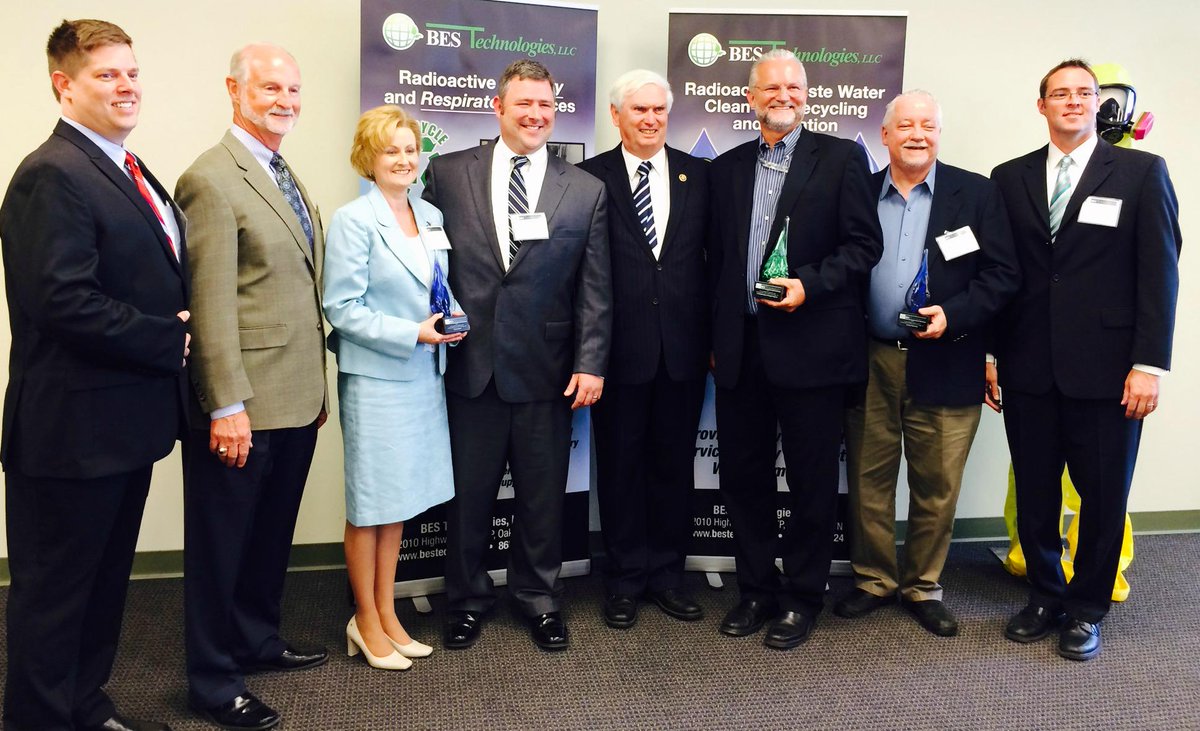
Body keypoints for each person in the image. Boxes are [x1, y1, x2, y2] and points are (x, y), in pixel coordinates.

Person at [0, 19, 188, 731]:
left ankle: (84, 705)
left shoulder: (123, 167)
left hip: (120, 431)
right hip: (69, 436)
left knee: (103, 587)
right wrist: (169, 338)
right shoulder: (52, 173)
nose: (126, 86)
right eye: (107, 74)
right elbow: (62, 302)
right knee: (55, 597)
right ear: (64, 85)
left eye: (132, 72)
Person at [990, 59, 1180, 661]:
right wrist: (991, 353)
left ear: (1098, 105)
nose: (1073, 101)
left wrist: (1149, 365)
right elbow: (1001, 273)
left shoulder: (1142, 172)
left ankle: (1087, 608)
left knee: (1103, 496)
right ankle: (1045, 596)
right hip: (1028, 365)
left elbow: (1160, 274)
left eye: (1085, 93)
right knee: (1036, 492)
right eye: (1061, 93)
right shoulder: (1009, 177)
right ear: (1041, 105)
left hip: (1109, 371)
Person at [422, 59, 611, 652]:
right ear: (498, 107)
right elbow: (425, 264)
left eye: (545, 105)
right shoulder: (447, 173)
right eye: (524, 103)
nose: (535, 115)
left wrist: (590, 361)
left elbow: (595, 286)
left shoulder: (585, 189)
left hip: (547, 370)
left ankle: (539, 597)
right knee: (469, 497)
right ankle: (466, 599)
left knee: (541, 496)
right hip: (469, 364)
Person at [708, 49, 883, 650]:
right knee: (744, 479)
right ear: (751, 98)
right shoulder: (726, 168)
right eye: (771, 88)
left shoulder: (841, 158)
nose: (784, 95)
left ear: (807, 95)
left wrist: (810, 283)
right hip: (741, 350)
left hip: (813, 349)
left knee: (811, 483)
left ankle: (803, 598)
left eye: (795, 87)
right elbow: (714, 262)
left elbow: (863, 247)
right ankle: (756, 590)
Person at [175, 43, 329, 729]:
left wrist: (316, 389)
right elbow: (209, 304)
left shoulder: (280, 169)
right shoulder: (210, 178)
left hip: (295, 395)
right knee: (221, 548)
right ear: (234, 90)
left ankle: (257, 640)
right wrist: (226, 403)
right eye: (269, 88)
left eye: (292, 89)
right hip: (244, 403)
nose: (284, 100)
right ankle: (212, 681)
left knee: (269, 537)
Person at [834, 90, 1020, 636]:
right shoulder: (857, 193)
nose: (917, 134)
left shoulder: (977, 194)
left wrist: (954, 316)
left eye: (928, 126)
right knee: (868, 477)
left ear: (939, 133)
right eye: (906, 125)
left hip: (949, 357)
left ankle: (922, 585)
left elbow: (1003, 276)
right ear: (885, 135)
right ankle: (873, 579)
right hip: (869, 359)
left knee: (937, 483)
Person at [323, 105, 465, 670]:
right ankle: (364, 618)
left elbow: (436, 286)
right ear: (369, 158)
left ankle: (386, 612)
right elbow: (341, 308)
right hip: (378, 379)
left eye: (411, 150)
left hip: (424, 376)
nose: (405, 160)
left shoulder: (428, 212)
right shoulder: (354, 219)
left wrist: (452, 318)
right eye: (392, 151)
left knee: (398, 502)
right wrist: (414, 333)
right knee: (371, 504)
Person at [576, 70, 709, 629]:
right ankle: (626, 579)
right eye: (639, 110)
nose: (651, 119)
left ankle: (668, 576)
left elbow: (715, 263)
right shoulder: (588, 179)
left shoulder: (699, 175)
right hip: (618, 354)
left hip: (683, 352)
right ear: (616, 115)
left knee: (673, 467)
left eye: (659, 110)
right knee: (621, 468)